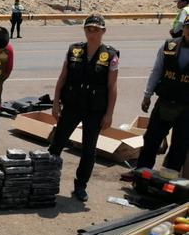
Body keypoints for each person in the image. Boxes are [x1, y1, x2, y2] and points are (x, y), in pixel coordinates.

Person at [48, 14, 119, 202]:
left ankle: (80, 186)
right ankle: (46, 178)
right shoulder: (74, 50)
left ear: (103, 31)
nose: (91, 33)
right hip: (72, 105)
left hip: (94, 110)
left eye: (96, 29)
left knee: (89, 150)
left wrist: (109, 114)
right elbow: (62, 78)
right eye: (88, 29)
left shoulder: (110, 55)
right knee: (57, 143)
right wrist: (56, 103)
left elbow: (112, 88)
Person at [129, 16, 189, 174]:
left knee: (180, 145)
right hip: (165, 102)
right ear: (183, 28)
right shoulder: (169, 46)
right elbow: (156, 71)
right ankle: (142, 173)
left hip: (186, 107)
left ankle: (169, 180)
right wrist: (147, 95)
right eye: (188, 27)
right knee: (151, 140)